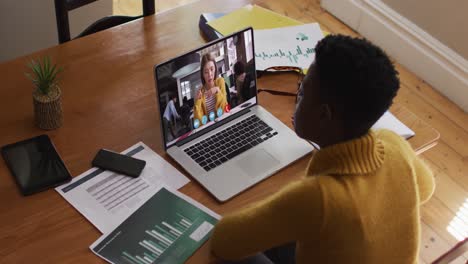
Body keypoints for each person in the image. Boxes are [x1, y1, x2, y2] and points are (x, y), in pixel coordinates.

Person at [210, 35, 435, 264]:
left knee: (222, 256)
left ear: (323, 115)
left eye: (303, 92)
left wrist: (280, 205)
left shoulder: (318, 198)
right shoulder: (394, 144)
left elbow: (224, 240)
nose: (298, 99)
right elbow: (426, 187)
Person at [194, 53, 228, 124]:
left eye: (212, 69)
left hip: (224, 122)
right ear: (202, 74)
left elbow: (224, 108)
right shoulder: (201, 92)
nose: (210, 74)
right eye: (206, 72)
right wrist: (197, 101)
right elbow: (200, 122)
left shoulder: (220, 82)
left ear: (215, 69)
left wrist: (217, 91)